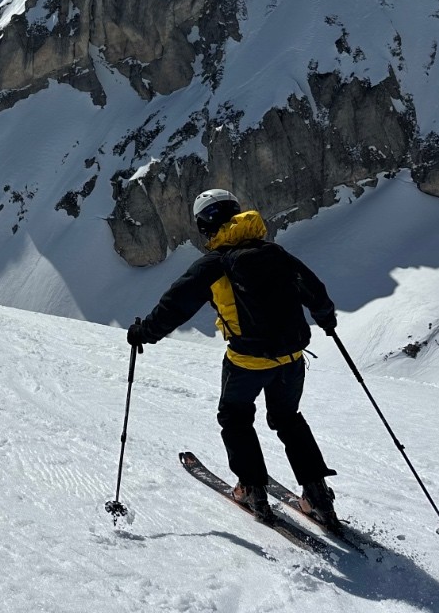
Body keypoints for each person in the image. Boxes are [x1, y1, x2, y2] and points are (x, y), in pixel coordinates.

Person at [127, 188, 340, 529]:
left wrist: (143, 333)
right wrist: (326, 318)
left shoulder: (214, 264)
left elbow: (175, 306)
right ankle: (317, 494)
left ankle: (252, 488)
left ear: (204, 226)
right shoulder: (275, 253)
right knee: (288, 419)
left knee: (236, 418)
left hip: (246, 362)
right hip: (291, 358)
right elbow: (313, 288)